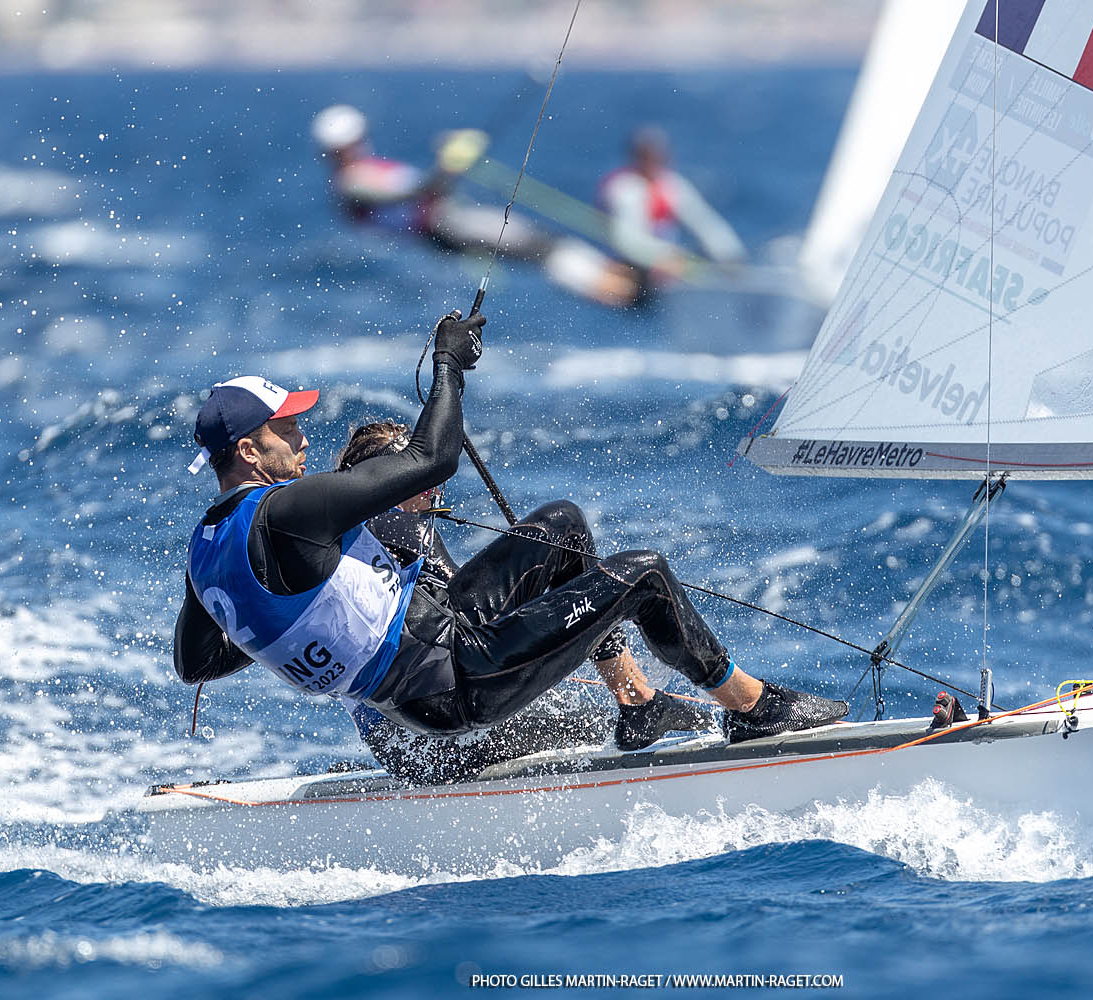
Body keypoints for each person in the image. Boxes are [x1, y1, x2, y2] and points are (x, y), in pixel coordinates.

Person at [174, 310, 848, 767]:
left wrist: (302, 629)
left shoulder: (206, 551)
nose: (301, 437)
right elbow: (432, 459)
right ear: (249, 450)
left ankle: (638, 705)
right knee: (641, 575)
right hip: (449, 682)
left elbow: (197, 662)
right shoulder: (285, 511)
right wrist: (447, 364)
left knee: (559, 525)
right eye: (285, 429)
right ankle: (754, 709)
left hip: (433, 640)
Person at [333, 419, 714, 781]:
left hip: (410, 742)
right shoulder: (383, 523)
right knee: (589, 728)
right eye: (416, 472)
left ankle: (637, 701)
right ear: (385, 479)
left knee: (564, 524)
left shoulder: (360, 537)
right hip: (429, 747)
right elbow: (470, 632)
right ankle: (639, 704)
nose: (430, 484)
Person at [311, 104, 637, 307]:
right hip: (445, 227)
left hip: (449, 221)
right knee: (538, 248)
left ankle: (621, 282)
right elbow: (419, 192)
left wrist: (449, 166)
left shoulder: (364, 172)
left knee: (541, 245)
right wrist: (449, 163)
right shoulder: (351, 184)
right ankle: (621, 291)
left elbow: (427, 189)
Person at [598, 125, 747, 295]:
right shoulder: (625, 189)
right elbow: (626, 241)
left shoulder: (673, 185)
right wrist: (664, 256)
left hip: (667, 265)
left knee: (713, 256)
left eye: (658, 156)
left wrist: (731, 256)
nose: (654, 161)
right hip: (628, 266)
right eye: (648, 156)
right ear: (637, 157)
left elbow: (705, 223)